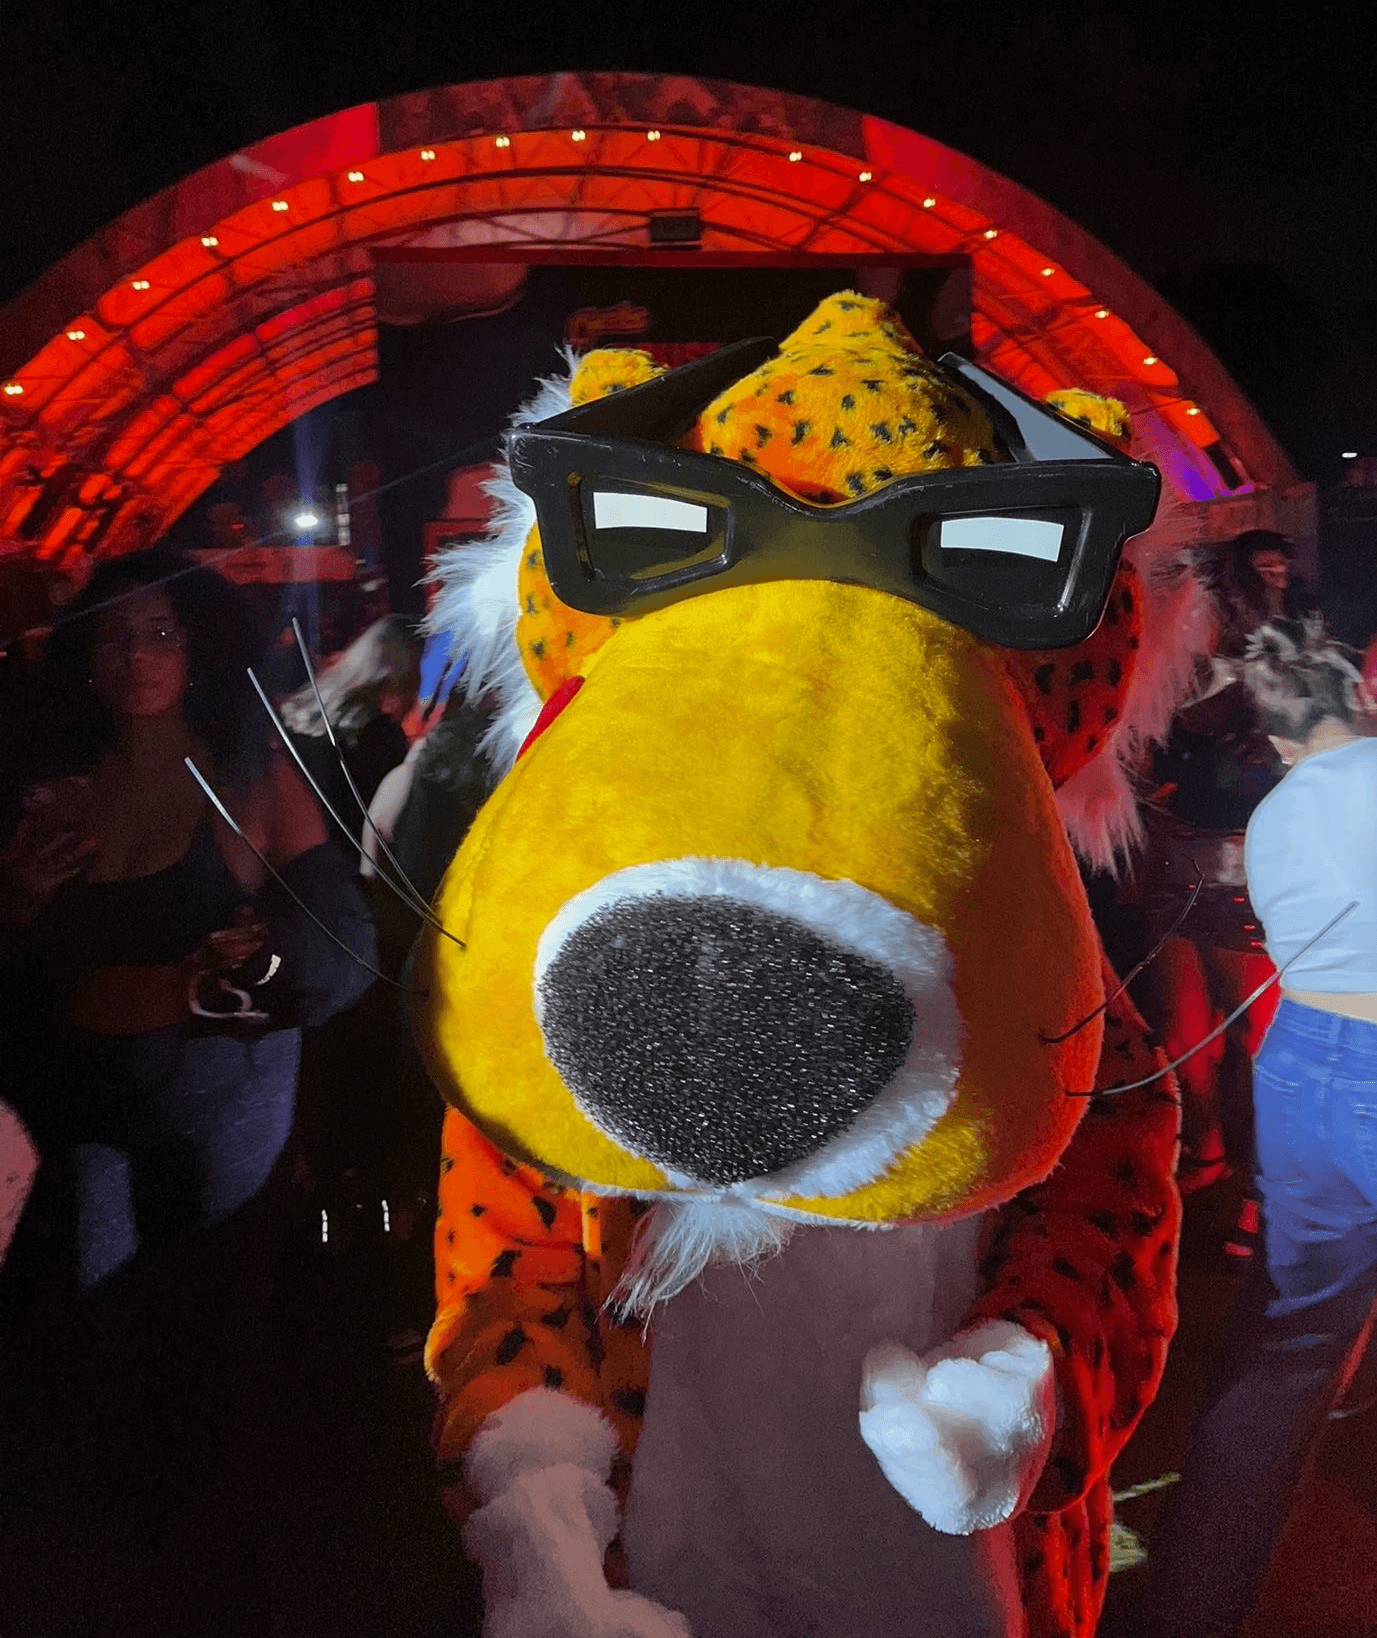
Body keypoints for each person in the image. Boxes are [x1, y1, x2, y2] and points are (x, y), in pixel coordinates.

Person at [0, 546, 378, 1632]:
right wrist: (16, 893)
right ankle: (117, 1556)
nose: (136, 657)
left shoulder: (253, 778)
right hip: (80, 1110)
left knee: (205, 1338)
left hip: (222, 1109)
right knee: (94, 1327)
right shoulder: (49, 794)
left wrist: (249, 969)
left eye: (160, 633)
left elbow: (341, 942)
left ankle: (208, 1569)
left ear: (197, 648)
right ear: (82, 658)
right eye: (114, 636)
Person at [1111, 619, 1377, 1638]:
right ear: (1354, 695)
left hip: (1305, 1064)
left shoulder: (1275, 813)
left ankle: (1194, 1609)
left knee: (1284, 1348)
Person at [278, 613, 422, 862]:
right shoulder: (381, 738)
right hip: (338, 869)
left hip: (286, 858)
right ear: (408, 675)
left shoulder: (303, 710)